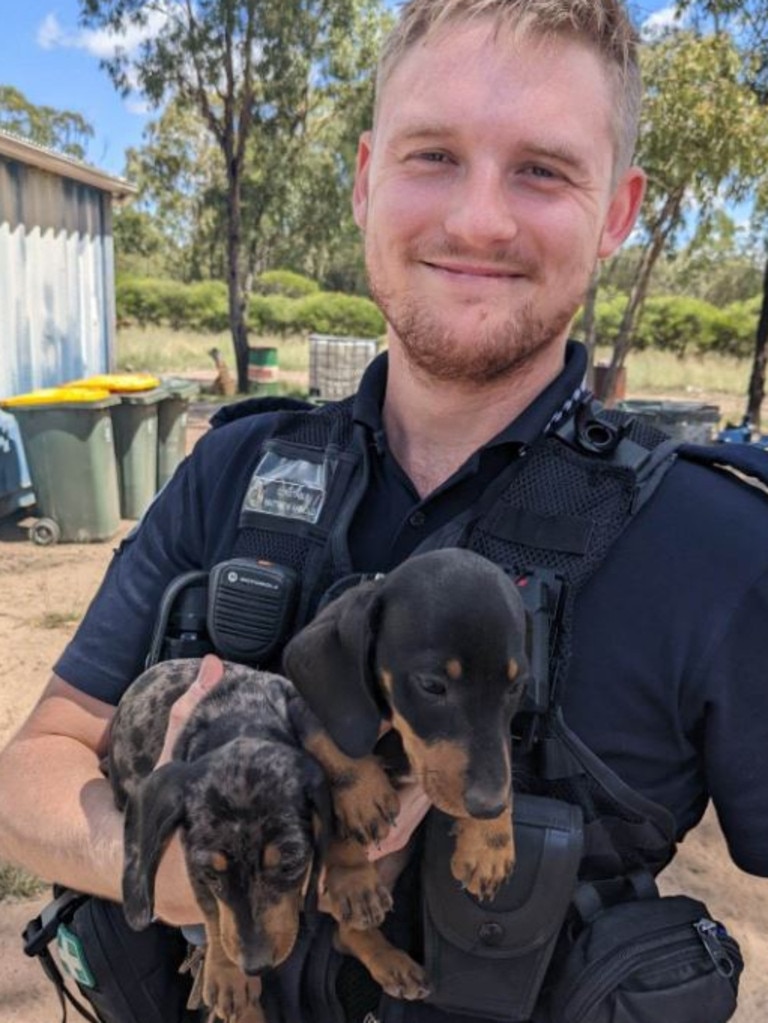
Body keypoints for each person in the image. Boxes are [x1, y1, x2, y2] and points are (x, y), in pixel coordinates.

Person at [2, 0, 767, 1020]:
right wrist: (189, 871)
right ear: (367, 179)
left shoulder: (720, 547)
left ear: (617, 211)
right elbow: (33, 774)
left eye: (541, 169)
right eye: (433, 155)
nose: (479, 218)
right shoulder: (234, 469)